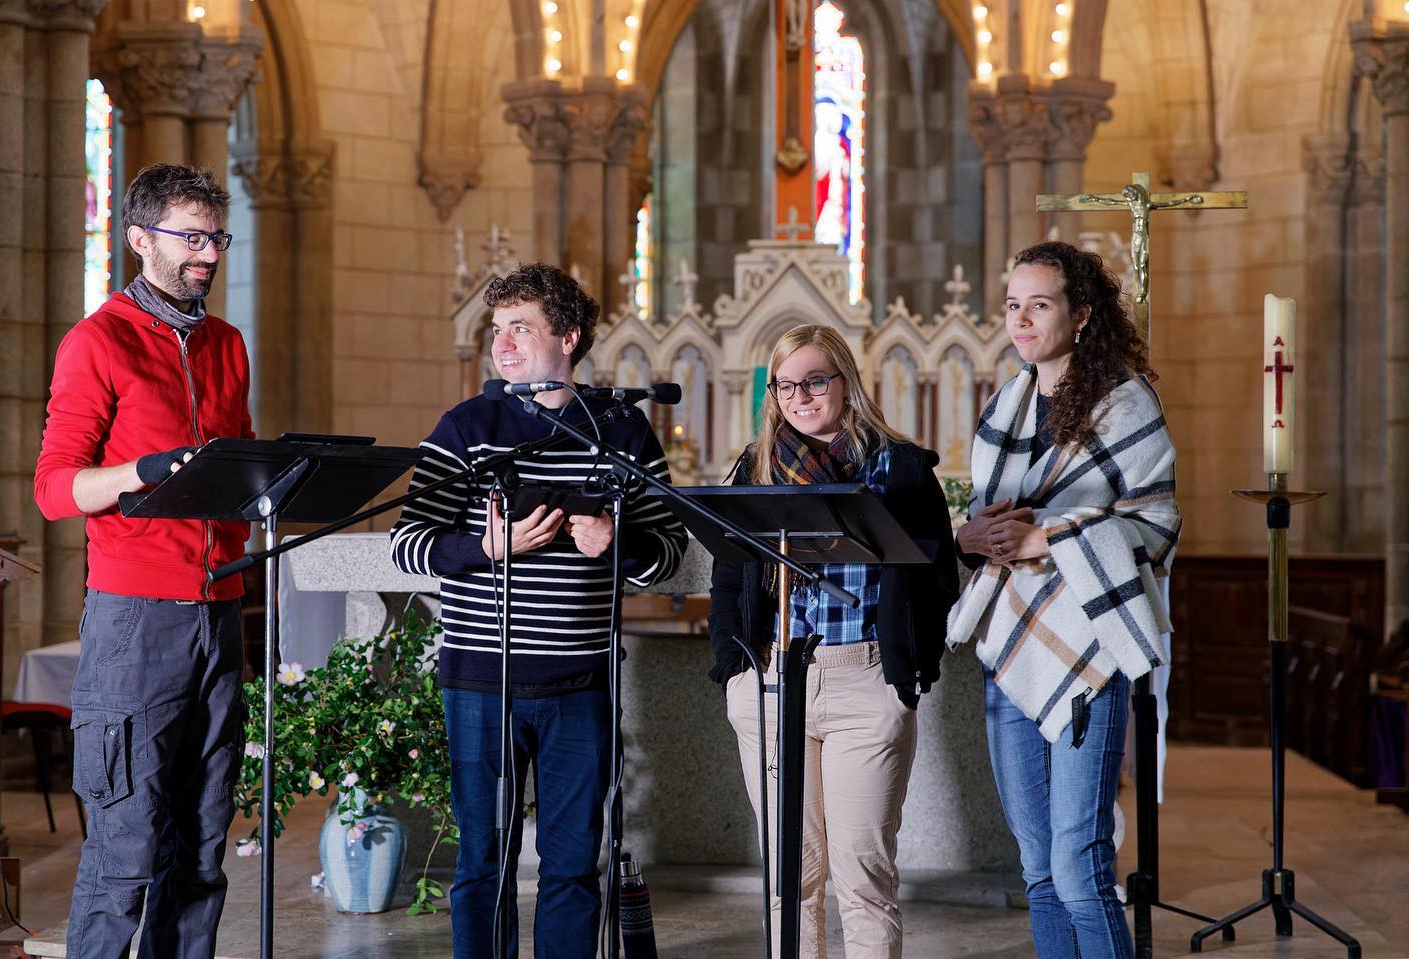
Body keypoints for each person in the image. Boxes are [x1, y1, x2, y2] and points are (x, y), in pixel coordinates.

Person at [388, 263, 687, 958]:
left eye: (521, 328)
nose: (503, 345)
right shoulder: (469, 426)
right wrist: (484, 546)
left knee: (573, 867)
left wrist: (617, 544)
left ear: (569, 338)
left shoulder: (621, 427)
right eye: (497, 331)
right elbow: (406, 544)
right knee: (482, 866)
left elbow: (670, 553)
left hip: (581, 684)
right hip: (479, 683)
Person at [33, 164, 252, 959]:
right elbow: (56, 487)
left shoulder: (227, 344)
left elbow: (237, 458)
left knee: (200, 843)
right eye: (190, 237)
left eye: (216, 238)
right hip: (135, 621)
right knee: (124, 847)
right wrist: (145, 470)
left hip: (219, 613)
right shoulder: (98, 341)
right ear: (139, 238)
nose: (207, 254)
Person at [947, 241, 1180, 958]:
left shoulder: (1125, 400)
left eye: (1039, 304)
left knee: (1080, 868)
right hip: (1011, 638)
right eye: (1013, 304)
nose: (1021, 318)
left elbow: (1154, 524)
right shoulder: (1009, 402)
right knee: (1038, 868)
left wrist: (1045, 539)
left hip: (1089, 648)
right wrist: (972, 533)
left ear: (1080, 315)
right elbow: (987, 517)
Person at [707, 323, 960, 959]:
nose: (800, 396)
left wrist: (907, 680)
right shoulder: (756, 465)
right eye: (785, 385)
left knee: (862, 873)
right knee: (790, 875)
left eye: (814, 381)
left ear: (844, 381)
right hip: (772, 680)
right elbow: (730, 572)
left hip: (864, 680)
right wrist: (734, 669)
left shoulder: (897, 467)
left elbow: (936, 579)